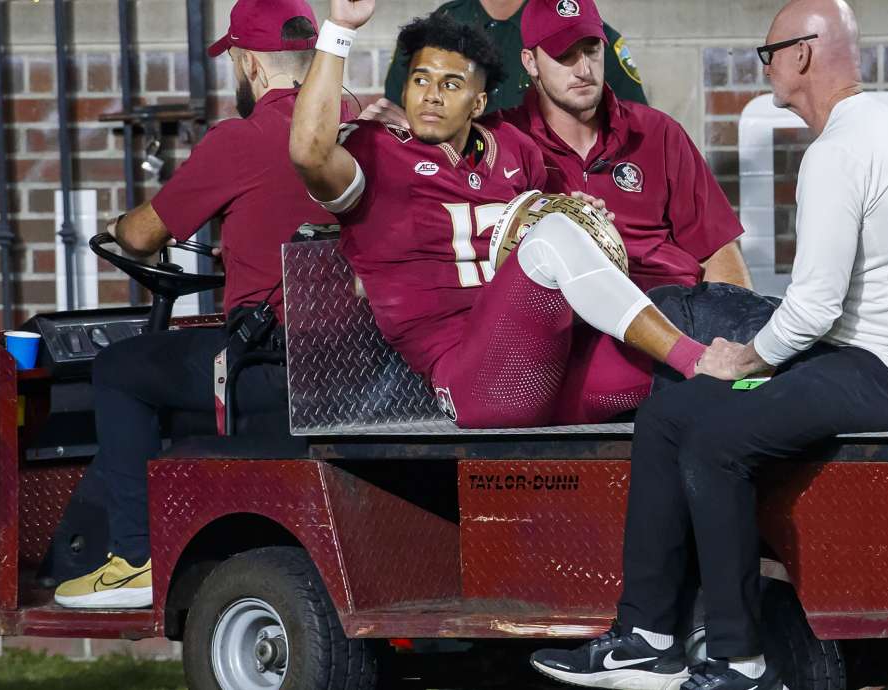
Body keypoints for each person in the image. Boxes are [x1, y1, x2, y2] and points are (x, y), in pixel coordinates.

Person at [528, 0, 888, 688]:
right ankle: (645, 635)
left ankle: (740, 658)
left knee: (715, 441)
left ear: (800, 56)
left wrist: (748, 357)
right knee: (674, 410)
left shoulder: (838, 153)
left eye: (768, 55)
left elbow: (815, 308)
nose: (765, 68)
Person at [290, 0, 713, 429]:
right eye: (421, 80)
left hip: (548, 366)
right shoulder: (375, 152)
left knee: (699, 323)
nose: (431, 96)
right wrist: (339, 30)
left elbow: (552, 242)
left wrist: (583, 214)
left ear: (478, 104)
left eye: (452, 85)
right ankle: (694, 358)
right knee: (555, 239)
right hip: (476, 385)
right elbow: (309, 151)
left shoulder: (513, 147)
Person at [53, 0, 345, 609]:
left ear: (249, 64)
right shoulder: (365, 124)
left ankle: (134, 558)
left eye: (236, 59)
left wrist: (115, 225)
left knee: (120, 369)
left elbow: (141, 236)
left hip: (270, 369)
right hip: (353, 364)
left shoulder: (242, 139)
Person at [503, 0, 749, 293]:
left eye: (592, 50)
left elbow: (718, 249)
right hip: (573, 313)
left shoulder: (657, 132)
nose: (583, 69)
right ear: (530, 62)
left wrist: (733, 330)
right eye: (565, 55)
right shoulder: (505, 140)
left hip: (676, 303)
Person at [378, 0, 646, 116]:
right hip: (456, 187)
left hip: (552, 187)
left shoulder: (578, 27)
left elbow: (636, 123)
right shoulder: (434, 31)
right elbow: (395, 119)